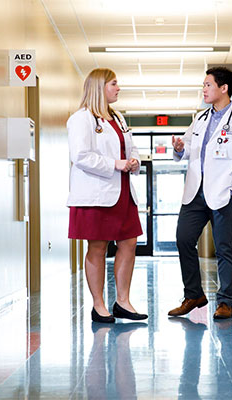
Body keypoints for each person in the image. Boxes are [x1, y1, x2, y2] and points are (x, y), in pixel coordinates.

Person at [168, 67, 232, 320]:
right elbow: (186, 151)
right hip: (195, 193)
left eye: (208, 85)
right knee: (184, 239)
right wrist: (179, 148)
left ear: (224, 88)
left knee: (225, 248)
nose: (204, 90)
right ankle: (194, 294)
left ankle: (225, 302)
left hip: (223, 194)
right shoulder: (200, 119)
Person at [67, 68, 147, 323]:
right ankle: (99, 305)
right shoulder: (81, 119)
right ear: (99, 87)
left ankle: (123, 301)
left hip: (122, 191)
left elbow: (129, 147)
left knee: (129, 243)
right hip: (96, 193)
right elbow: (80, 156)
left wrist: (133, 160)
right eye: (114, 83)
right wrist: (116, 164)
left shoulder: (118, 117)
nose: (118, 88)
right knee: (98, 246)